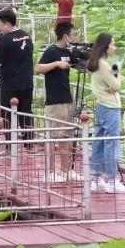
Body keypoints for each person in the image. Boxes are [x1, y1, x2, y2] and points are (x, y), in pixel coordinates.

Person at [87, 32, 125, 194]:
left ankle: (95, 179)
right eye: (113, 44)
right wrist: (117, 70)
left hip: (101, 105)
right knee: (112, 142)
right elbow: (117, 85)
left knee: (99, 141)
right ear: (105, 46)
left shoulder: (97, 62)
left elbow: (111, 85)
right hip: (110, 106)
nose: (115, 46)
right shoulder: (104, 64)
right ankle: (111, 180)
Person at [36, 22, 78, 182]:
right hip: (55, 100)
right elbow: (38, 68)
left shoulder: (67, 51)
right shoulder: (52, 51)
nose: (73, 37)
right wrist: (56, 64)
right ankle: (50, 172)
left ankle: (65, 170)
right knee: (53, 136)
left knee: (66, 136)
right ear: (65, 35)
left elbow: (78, 63)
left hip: (67, 98)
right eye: (72, 34)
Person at [0, 8, 34, 143]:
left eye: (0, 24)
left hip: (10, 85)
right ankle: (29, 144)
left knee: (8, 115)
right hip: (27, 82)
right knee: (25, 112)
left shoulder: (6, 40)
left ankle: (11, 145)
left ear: (7, 24)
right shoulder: (26, 36)